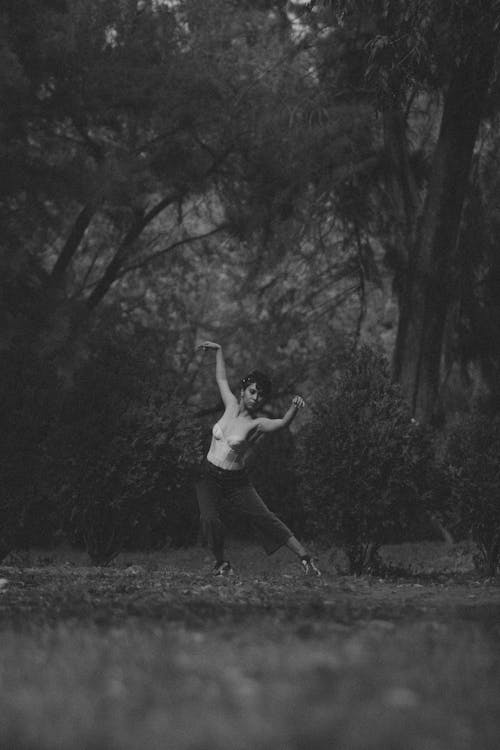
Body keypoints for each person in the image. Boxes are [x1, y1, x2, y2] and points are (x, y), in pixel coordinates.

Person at [195, 341, 321, 577]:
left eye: (260, 395)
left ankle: (306, 558)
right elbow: (221, 379)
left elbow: (282, 422)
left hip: (235, 481)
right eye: (252, 391)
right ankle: (222, 564)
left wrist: (295, 406)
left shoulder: (256, 424)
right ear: (243, 391)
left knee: (264, 517)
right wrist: (220, 350)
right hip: (208, 474)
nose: (256, 397)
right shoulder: (230, 404)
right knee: (209, 518)